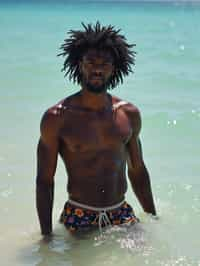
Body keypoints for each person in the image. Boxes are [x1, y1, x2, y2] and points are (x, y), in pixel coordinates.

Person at [36, 22, 157, 237]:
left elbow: (137, 170)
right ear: (79, 64)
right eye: (90, 61)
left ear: (114, 68)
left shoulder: (128, 114)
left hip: (121, 214)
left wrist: (153, 217)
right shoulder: (57, 118)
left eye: (105, 63)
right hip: (79, 215)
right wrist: (47, 237)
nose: (97, 68)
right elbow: (45, 181)